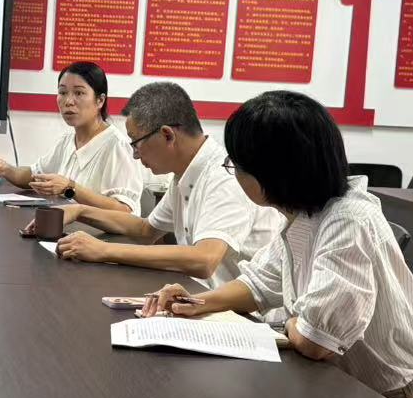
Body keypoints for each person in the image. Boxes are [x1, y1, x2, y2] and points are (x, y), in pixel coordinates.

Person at [142, 91, 413, 398]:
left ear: (270, 173)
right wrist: (195, 303)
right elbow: (258, 285)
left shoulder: (347, 222)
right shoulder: (303, 216)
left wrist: (290, 323)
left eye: (236, 165)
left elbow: (314, 341)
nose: (234, 174)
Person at [46, 81, 272, 288]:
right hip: (196, 296)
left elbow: (204, 260)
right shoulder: (185, 174)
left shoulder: (223, 177)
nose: (135, 155)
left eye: (136, 143)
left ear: (167, 135)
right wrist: (80, 211)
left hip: (237, 312)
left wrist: (103, 250)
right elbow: (146, 230)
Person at [0, 62, 139, 212]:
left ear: (100, 100)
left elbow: (124, 210)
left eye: (79, 93)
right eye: (62, 93)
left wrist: (70, 187)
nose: (68, 101)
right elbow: (34, 176)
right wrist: (6, 169)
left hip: (94, 232)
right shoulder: (67, 140)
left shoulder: (117, 146)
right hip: (65, 227)